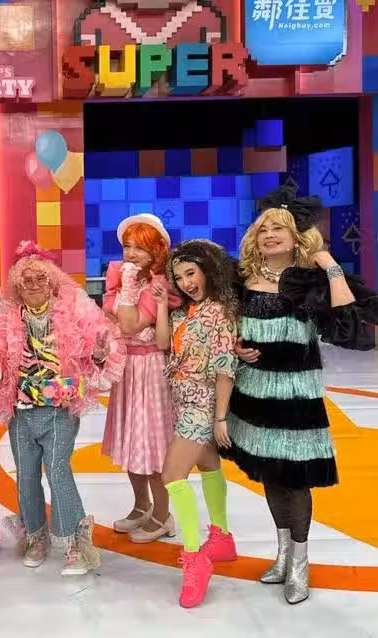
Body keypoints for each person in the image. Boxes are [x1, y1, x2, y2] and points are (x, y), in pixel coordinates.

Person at [219, 181, 378, 604]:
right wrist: (237, 345)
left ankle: (300, 565)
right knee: (270, 474)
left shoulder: (310, 280)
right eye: (263, 228)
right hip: (253, 393)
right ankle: (282, 555)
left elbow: (345, 327)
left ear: (297, 237)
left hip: (295, 394)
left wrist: (329, 264)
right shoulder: (243, 277)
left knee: (295, 479)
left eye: (279, 228)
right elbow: (228, 326)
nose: (269, 235)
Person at [0, 241, 126, 575]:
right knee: (25, 476)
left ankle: (75, 544)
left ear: (53, 282)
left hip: (59, 411)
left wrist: (98, 355)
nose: (34, 285)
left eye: (41, 278)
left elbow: (95, 355)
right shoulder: (6, 317)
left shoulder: (73, 312)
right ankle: (36, 536)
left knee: (57, 471)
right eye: (26, 280)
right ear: (17, 285)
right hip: (21, 411)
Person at [155, 240, 238, 608]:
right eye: (179, 277)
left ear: (208, 270)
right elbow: (163, 343)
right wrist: (162, 303)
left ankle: (195, 560)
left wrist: (220, 417)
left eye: (191, 273)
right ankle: (222, 538)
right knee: (207, 465)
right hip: (182, 400)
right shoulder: (185, 313)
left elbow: (225, 368)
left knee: (172, 475)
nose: (186, 282)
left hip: (202, 406)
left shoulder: (220, 313)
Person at [101, 214, 180, 542]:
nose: (131, 253)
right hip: (127, 369)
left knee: (154, 445)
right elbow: (111, 319)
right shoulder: (121, 278)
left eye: (140, 247)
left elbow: (130, 324)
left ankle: (163, 514)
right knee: (132, 441)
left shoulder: (159, 284)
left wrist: (129, 283)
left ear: (156, 250)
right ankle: (141, 505)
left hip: (151, 371)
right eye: (127, 246)